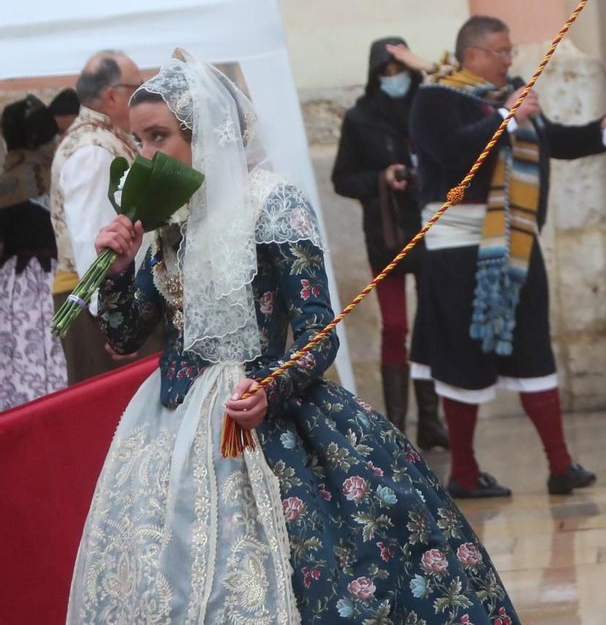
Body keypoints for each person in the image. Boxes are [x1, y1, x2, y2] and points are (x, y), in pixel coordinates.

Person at [68, 52, 518, 624]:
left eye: (160, 137)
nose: (148, 157)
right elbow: (127, 334)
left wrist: (270, 389)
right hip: (174, 424)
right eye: (138, 142)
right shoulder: (168, 221)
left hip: (262, 415)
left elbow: (317, 330)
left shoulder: (271, 203)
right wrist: (115, 272)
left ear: (206, 134)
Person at [408, 15, 606, 499]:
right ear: (471, 55)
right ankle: (463, 472)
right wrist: (503, 119)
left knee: (534, 346)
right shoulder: (433, 99)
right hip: (456, 245)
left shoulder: (508, 97)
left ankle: (561, 464)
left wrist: (601, 129)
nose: (511, 60)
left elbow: (553, 141)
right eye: (501, 52)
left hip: (515, 239)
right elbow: (453, 155)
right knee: (461, 356)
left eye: (511, 52)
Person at [331, 37, 448, 450]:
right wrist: (383, 176)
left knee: (431, 324)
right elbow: (342, 178)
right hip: (388, 233)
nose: (394, 78)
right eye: (386, 71)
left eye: (400, 69)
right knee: (395, 325)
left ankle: (432, 420)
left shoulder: (430, 106)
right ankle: (397, 423)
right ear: (374, 73)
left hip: (432, 224)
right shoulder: (361, 117)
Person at [49, 50, 148, 383]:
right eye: (139, 86)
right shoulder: (93, 150)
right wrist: (114, 324)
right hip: (99, 313)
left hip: (116, 306)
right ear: (112, 96)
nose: (144, 92)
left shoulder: (105, 139)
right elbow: (93, 237)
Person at [0, 94, 66, 408]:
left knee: (18, 363)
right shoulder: (61, 173)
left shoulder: (7, 181)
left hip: (16, 286)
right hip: (59, 280)